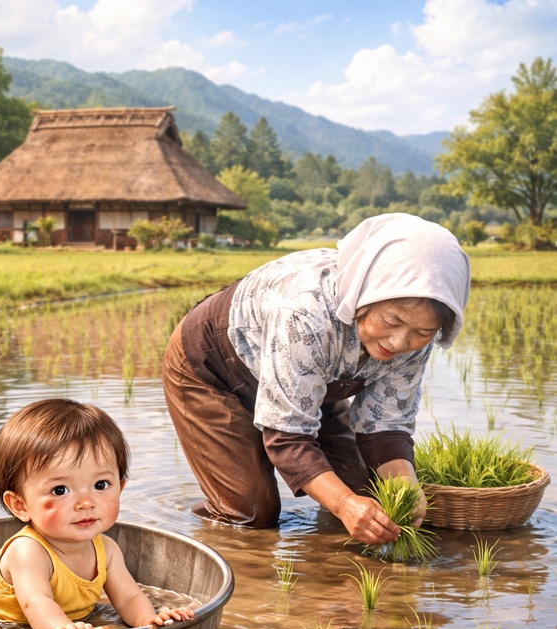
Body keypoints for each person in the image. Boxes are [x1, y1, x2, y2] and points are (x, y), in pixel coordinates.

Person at [162, 213, 471, 546]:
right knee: (250, 513)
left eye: (422, 332)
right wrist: (343, 505)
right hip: (214, 369)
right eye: (391, 320)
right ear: (366, 295)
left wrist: (405, 488)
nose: (399, 343)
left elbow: (386, 426)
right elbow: (288, 436)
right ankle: (191, 529)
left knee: (371, 497)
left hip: (312, 384)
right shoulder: (305, 313)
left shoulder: (412, 343)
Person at [0, 398, 194, 629]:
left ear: (120, 487)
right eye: (60, 490)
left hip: (55, 622)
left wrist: (150, 620)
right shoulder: (28, 552)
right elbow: (38, 603)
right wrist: (63, 627)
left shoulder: (106, 549)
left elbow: (128, 598)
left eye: (100, 485)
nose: (86, 502)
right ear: (21, 505)